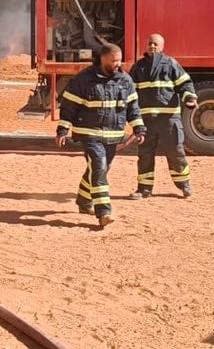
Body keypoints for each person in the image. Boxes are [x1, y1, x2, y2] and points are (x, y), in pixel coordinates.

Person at [56, 43, 144, 228]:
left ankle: (83, 200)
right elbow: (69, 107)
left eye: (119, 61)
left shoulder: (125, 81)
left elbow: (133, 108)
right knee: (99, 165)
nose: (117, 65)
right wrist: (63, 130)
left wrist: (138, 128)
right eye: (113, 61)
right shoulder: (83, 80)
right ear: (102, 59)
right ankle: (103, 211)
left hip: (113, 134)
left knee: (101, 168)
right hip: (89, 133)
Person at [128, 33, 197, 199]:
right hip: (146, 121)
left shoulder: (171, 64)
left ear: (162, 46)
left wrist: (189, 97)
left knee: (176, 152)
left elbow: (185, 84)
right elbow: (129, 91)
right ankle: (144, 189)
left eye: (156, 44)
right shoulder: (139, 67)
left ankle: (184, 185)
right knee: (145, 154)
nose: (152, 46)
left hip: (169, 120)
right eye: (150, 43)